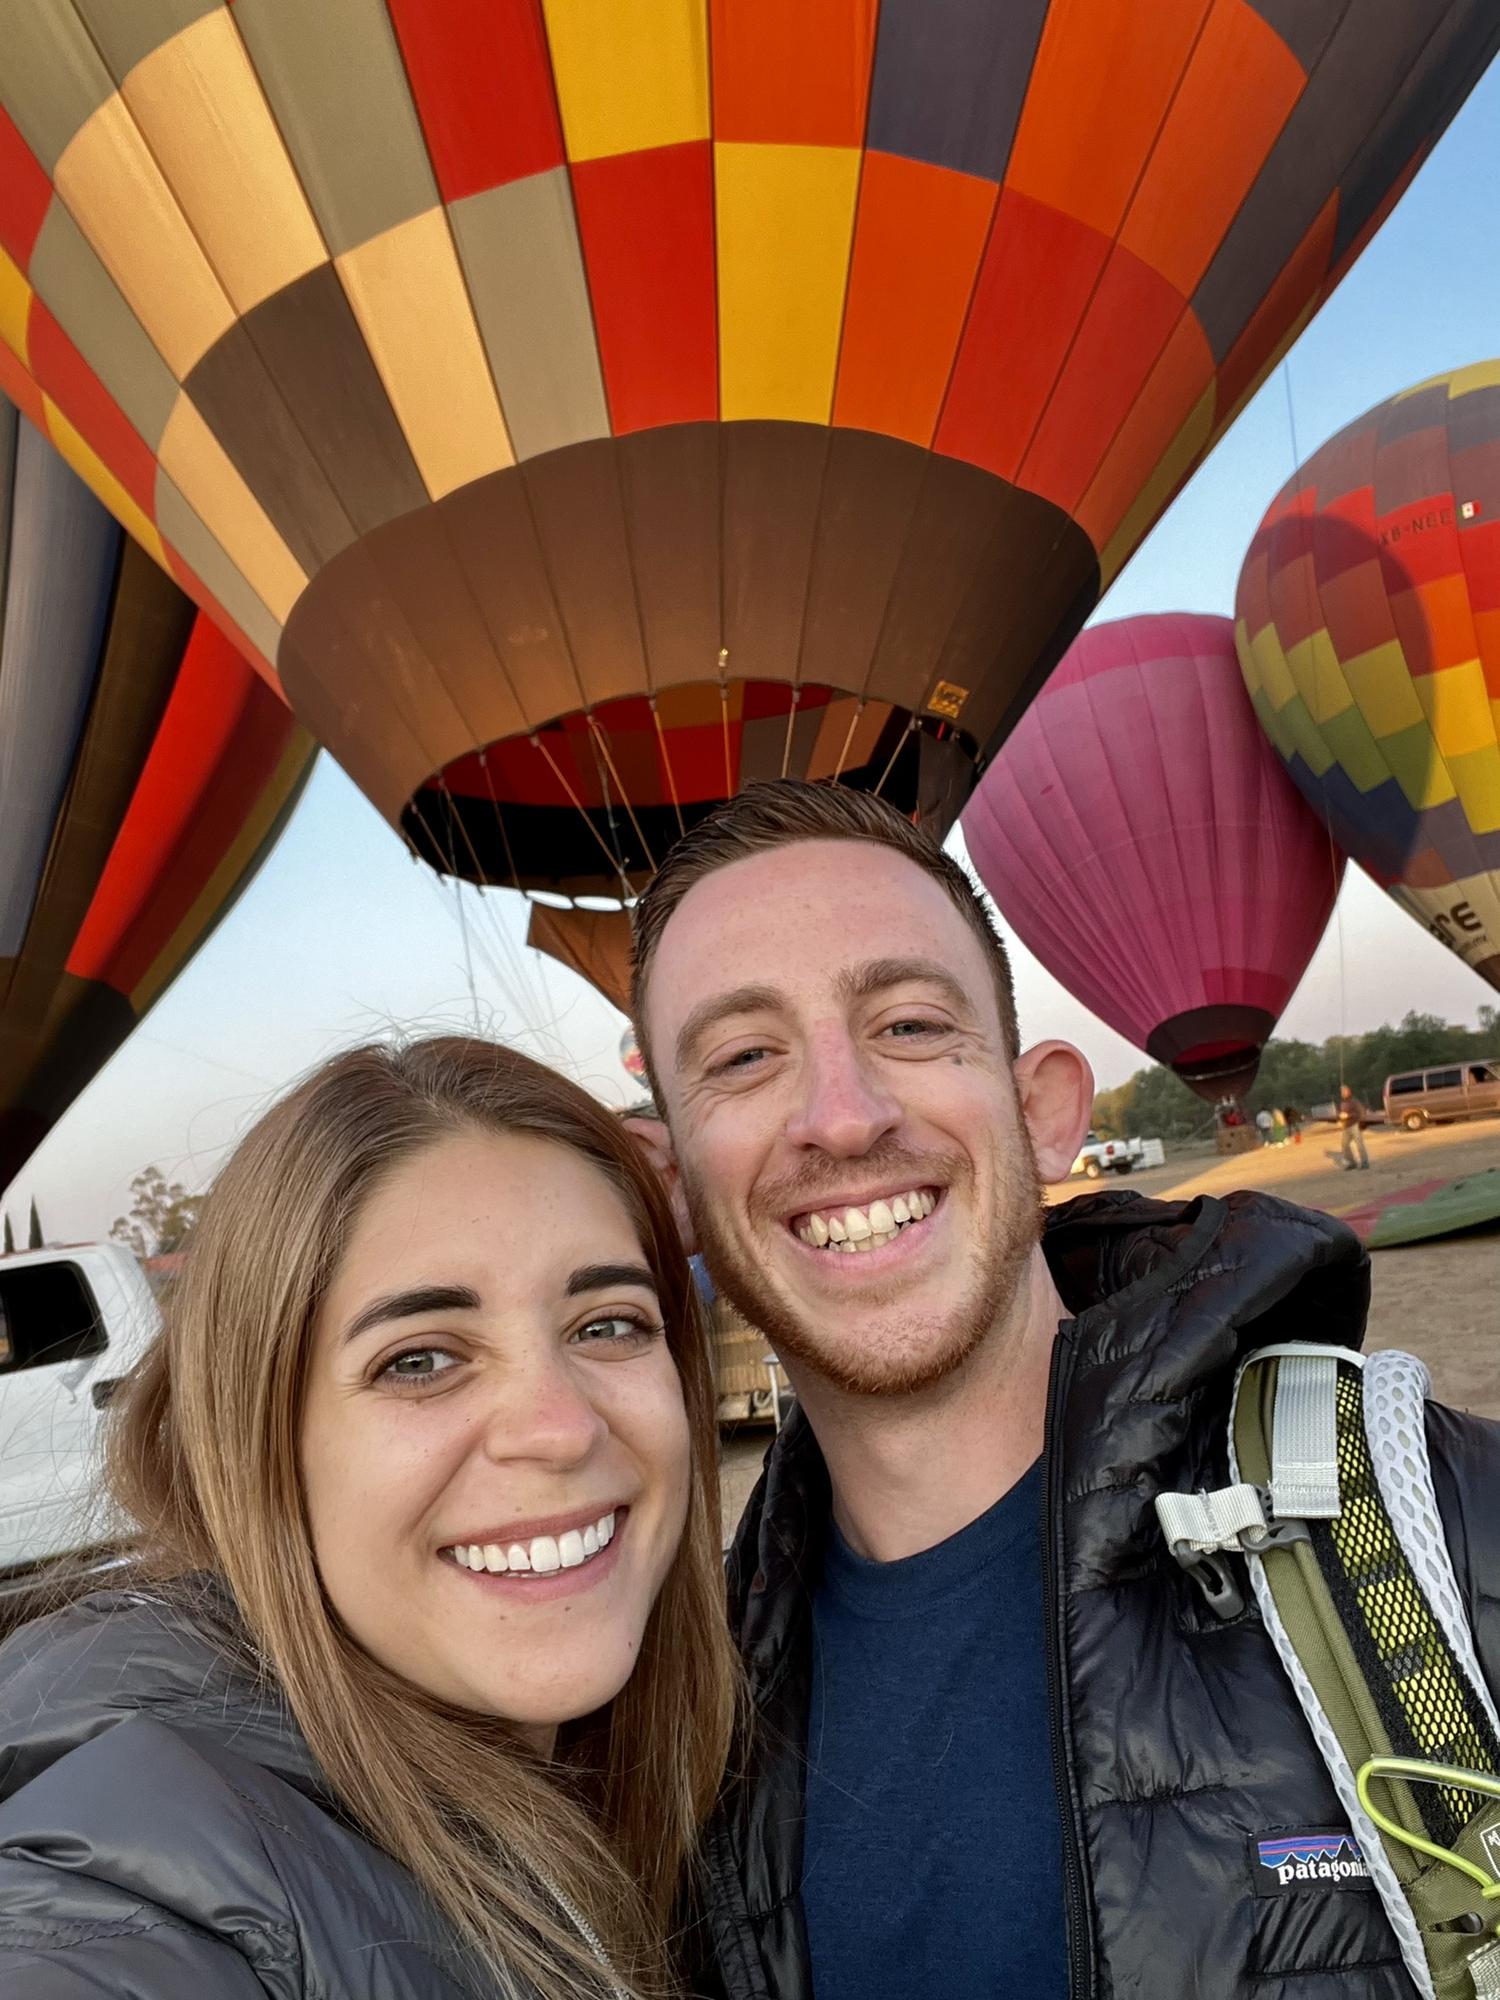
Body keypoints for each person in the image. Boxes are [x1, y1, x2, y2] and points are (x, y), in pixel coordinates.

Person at [624, 779, 1500, 2000]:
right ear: (670, 1189)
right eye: (744, 1055)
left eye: (912, 1025)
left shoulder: (1440, 1530)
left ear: (1043, 1113)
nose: (843, 1115)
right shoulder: (680, 1738)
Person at [0, 1037, 738, 1998]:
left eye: (607, 1325)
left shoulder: (705, 1792)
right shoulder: (133, 1892)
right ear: (259, 1444)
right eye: (421, 1359)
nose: (559, 1429)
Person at [1338, 1081, 1371, 1168]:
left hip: (1355, 1125)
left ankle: (1365, 1163)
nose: (1342, 1093)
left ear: (1348, 1091)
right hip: (1346, 1126)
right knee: (1344, 1145)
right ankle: (1352, 1163)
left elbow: (1361, 1112)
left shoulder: (1354, 1101)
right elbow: (1340, 1113)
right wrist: (1340, 1118)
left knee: (1359, 1144)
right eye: (1341, 1092)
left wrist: (1349, 1115)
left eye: (1344, 1091)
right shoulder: (1342, 1103)